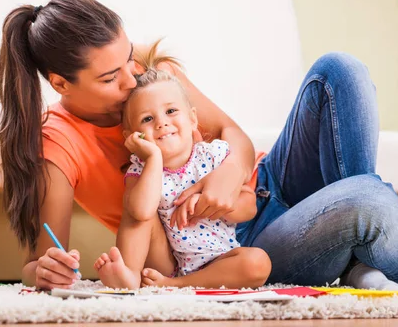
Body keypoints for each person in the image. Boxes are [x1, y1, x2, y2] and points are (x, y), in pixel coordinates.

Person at [0, 0, 398, 291]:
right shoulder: (56, 144)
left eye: (129, 58)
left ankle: (355, 259)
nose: (133, 78)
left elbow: (235, 138)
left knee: (341, 70)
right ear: (61, 83)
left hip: (266, 184)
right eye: (110, 76)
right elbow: (40, 260)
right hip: (236, 249)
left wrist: (226, 177)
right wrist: (45, 272)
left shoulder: (145, 73)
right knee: (371, 199)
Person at [93, 46, 271, 289]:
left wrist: (211, 204)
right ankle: (128, 275)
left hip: (221, 258)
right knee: (140, 213)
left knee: (258, 263)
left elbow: (249, 205)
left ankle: (177, 284)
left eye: (171, 111)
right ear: (132, 136)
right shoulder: (141, 169)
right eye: (147, 119)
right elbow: (139, 210)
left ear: (193, 119)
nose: (162, 122)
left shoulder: (212, 155)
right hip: (168, 261)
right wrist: (153, 158)